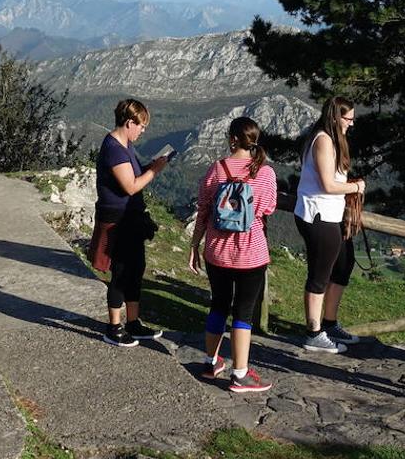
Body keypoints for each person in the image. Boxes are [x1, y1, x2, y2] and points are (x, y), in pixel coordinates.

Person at [189, 116, 278, 393]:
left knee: (218, 304)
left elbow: (203, 209)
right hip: (251, 254)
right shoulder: (265, 173)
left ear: (232, 139)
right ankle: (239, 374)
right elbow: (268, 208)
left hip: (217, 253)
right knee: (243, 312)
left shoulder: (216, 169)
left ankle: (210, 361)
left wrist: (194, 246)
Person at [90, 99, 170, 346]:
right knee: (121, 272)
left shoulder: (125, 145)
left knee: (136, 268)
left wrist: (151, 165)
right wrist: (154, 171)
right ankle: (113, 326)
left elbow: (132, 175)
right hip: (118, 220)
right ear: (129, 122)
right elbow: (130, 185)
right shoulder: (114, 148)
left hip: (131, 218)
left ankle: (133, 323)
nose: (143, 131)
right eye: (141, 126)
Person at [294, 96, 366, 353]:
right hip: (319, 215)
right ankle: (313, 332)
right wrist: (356, 187)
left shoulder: (332, 138)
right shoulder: (323, 140)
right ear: (336, 117)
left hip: (331, 214)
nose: (351, 124)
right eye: (348, 119)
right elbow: (328, 185)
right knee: (319, 274)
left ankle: (330, 322)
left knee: (343, 265)